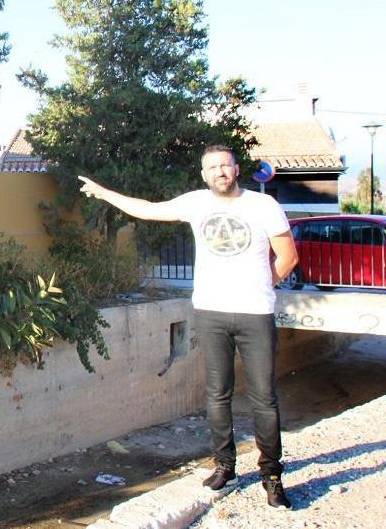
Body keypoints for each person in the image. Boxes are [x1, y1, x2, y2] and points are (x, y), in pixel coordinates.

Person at [78, 145, 298, 510]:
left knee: (264, 398)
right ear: (204, 175)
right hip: (211, 312)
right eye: (212, 167)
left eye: (225, 166)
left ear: (236, 168)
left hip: (255, 313)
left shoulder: (263, 206)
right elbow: (147, 209)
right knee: (217, 393)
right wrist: (103, 193)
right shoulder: (196, 202)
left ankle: (271, 475)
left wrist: (262, 284)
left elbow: (288, 257)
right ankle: (225, 466)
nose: (220, 172)